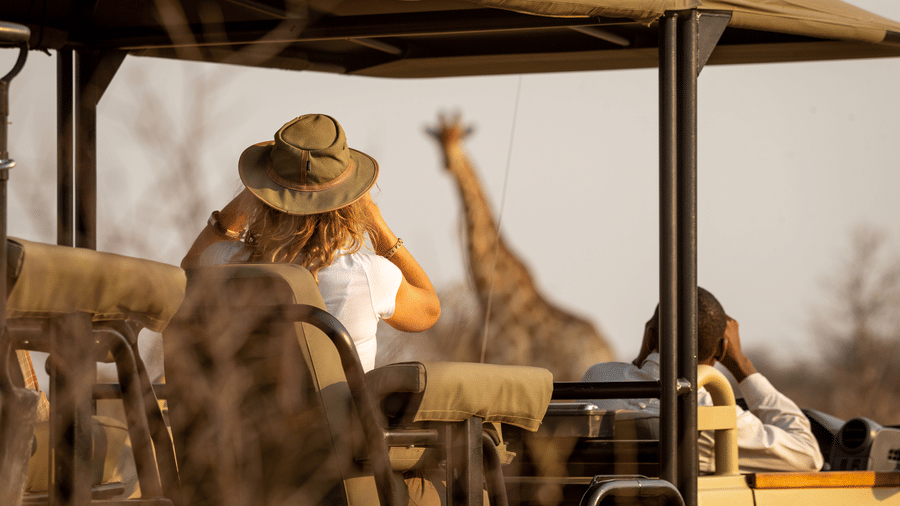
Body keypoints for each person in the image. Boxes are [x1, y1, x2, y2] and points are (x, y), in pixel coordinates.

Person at [181, 114, 440, 371]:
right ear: (349, 202)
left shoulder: (223, 261)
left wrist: (245, 201)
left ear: (262, 196)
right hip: (339, 414)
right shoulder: (369, 275)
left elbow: (188, 270)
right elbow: (428, 312)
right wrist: (374, 219)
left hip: (245, 413)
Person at [581, 288, 823, 474]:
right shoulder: (711, 415)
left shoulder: (599, 378)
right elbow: (808, 455)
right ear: (721, 349)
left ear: (651, 335)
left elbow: (636, 377)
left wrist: (646, 351)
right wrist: (743, 366)